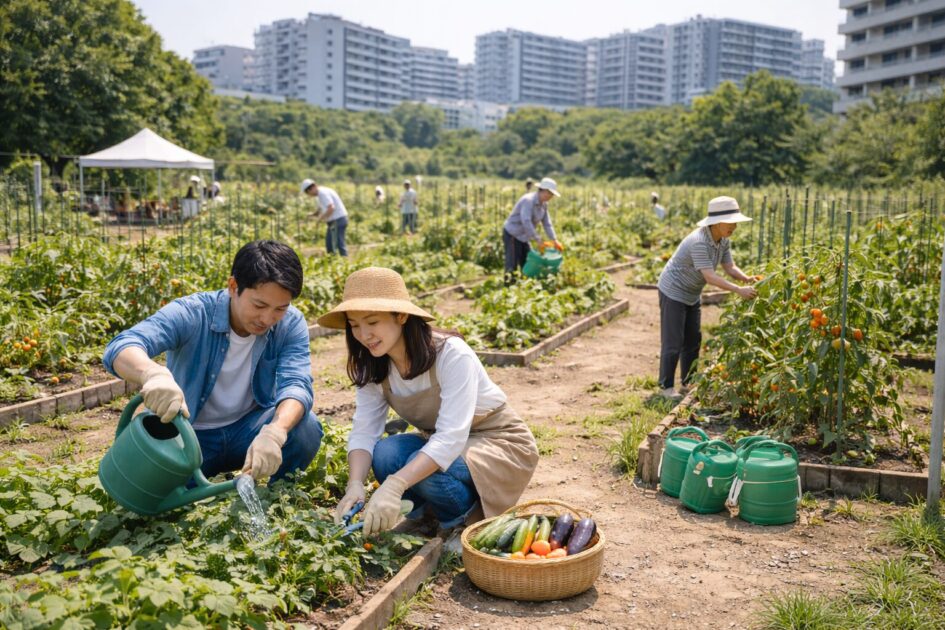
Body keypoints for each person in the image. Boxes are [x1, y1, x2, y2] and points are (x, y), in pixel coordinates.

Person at [321, 267, 538, 551]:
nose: (363, 334)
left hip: (498, 442)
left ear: (401, 316)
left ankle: (464, 522)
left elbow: (449, 438)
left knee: (426, 466)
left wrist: (396, 484)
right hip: (446, 444)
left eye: (372, 322)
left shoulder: (451, 354)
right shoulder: (375, 365)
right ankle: (425, 517)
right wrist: (355, 484)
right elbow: (364, 432)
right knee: (386, 454)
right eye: (354, 325)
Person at [103, 240, 323, 484]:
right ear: (233, 286)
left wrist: (275, 431)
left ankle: (273, 494)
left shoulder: (290, 324)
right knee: (150, 487)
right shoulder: (193, 313)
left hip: (248, 430)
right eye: (259, 305)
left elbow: (297, 383)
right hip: (189, 435)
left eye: (280, 308)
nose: (268, 318)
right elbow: (122, 346)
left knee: (306, 429)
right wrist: (152, 374)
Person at [656, 196, 757, 399]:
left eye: (735, 222)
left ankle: (688, 382)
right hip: (673, 291)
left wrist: (746, 278)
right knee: (674, 340)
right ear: (717, 223)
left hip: (692, 293)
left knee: (693, 338)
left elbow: (729, 267)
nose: (734, 226)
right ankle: (666, 388)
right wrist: (738, 290)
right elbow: (710, 277)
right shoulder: (699, 242)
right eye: (731, 222)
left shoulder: (723, 241)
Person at [503, 177, 564, 276]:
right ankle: (508, 286)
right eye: (550, 193)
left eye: (552, 194)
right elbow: (526, 221)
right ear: (542, 190)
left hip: (524, 236)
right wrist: (538, 239)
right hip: (512, 234)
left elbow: (547, 223)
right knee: (512, 263)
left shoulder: (543, 204)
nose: (551, 196)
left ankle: (524, 286)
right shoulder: (528, 201)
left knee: (528, 261)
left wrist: (554, 240)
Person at [301, 178, 349, 257]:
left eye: (307, 193)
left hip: (338, 220)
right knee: (330, 244)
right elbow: (321, 208)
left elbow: (331, 208)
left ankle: (344, 262)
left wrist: (320, 219)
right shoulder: (320, 194)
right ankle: (333, 262)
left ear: (311, 189)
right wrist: (313, 214)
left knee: (339, 243)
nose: (309, 195)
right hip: (335, 221)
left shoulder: (323, 193)